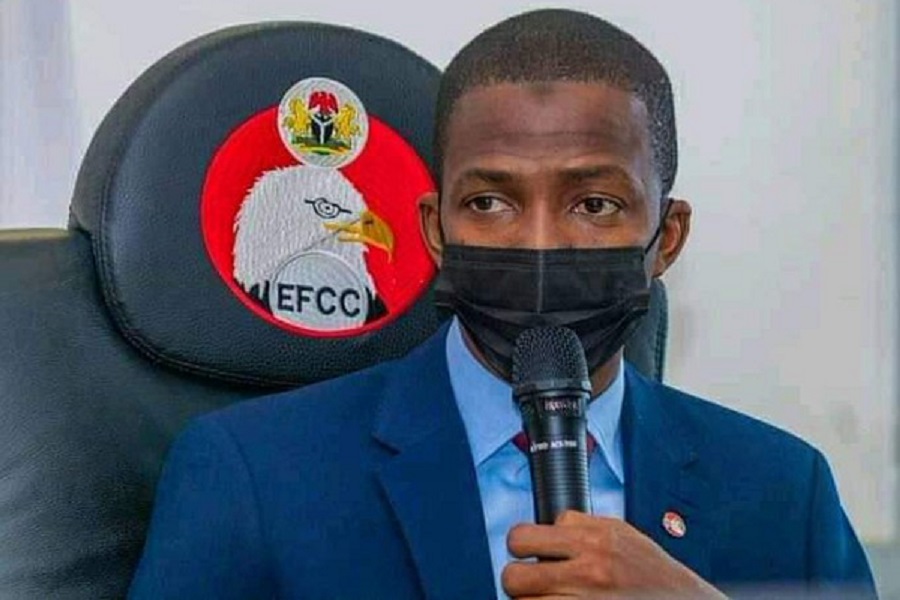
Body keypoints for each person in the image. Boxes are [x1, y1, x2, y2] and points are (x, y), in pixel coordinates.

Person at [129, 9, 876, 599]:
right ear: (436, 231)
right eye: (490, 202)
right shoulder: (254, 477)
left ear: (667, 238)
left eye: (594, 203)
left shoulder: (784, 493)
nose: (540, 243)